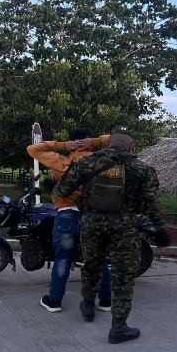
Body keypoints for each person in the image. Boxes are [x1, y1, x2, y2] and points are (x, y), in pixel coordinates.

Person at [53, 125, 170, 344]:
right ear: (131, 147)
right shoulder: (142, 168)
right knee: (123, 276)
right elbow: (153, 204)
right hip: (124, 226)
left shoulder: (87, 162)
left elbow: (61, 191)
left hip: (91, 223)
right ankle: (119, 327)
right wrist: (160, 232)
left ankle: (88, 305)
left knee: (92, 265)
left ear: (107, 143)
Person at [27, 129, 113, 313]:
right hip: (95, 217)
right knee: (99, 260)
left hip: (67, 216)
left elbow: (33, 149)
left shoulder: (62, 162)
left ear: (72, 144)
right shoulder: (104, 162)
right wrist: (96, 141)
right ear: (90, 144)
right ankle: (106, 301)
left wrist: (62, 145)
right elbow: (121, 143)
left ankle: (54, 301)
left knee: (63, 258)